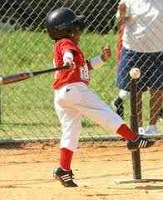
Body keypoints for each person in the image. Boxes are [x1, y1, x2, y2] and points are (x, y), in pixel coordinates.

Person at [46, 7, 154, 187]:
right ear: (65, 30)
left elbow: (84, 68)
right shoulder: (65, 43)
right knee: (105, 113)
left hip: (62, 96)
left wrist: (101, 59)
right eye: (75, 27)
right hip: (74, 90)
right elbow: (67, 52)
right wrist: (68, 59)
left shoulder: (69, 50)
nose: (79, 31)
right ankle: (132, 139)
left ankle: (64, 170)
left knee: (71, 131)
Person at [114, 0, 163, 135]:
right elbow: (118, 25)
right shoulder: (129, 1)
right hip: (133, 50)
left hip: (159, 51)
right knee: (135, 90)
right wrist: (122, 14)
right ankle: (138, 127)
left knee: (158, 90)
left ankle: (152, 127)